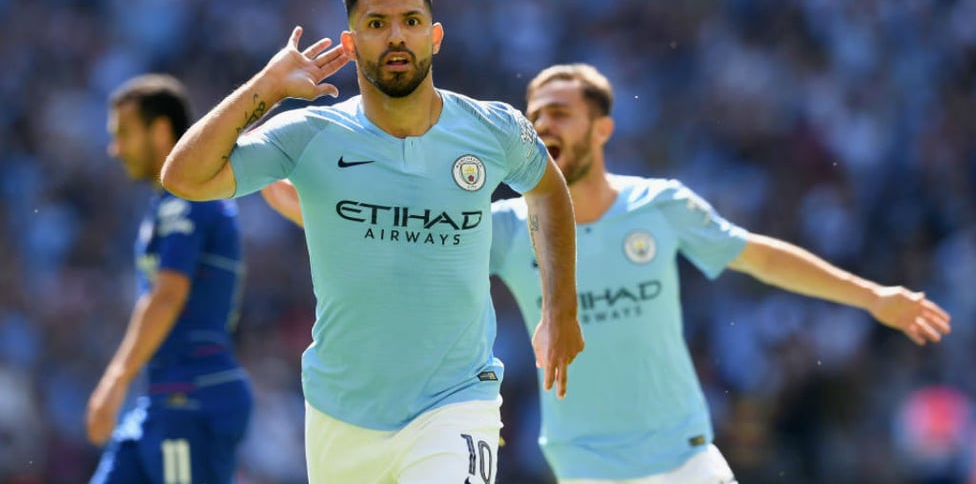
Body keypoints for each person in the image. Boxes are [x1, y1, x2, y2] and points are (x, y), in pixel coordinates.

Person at [262, 62, 954, 484]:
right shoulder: (507, 224)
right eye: (535, 116)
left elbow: (760, 254)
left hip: (682, 447)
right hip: (585, 456)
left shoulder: (661, 206)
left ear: (603, 129)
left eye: (560, 113)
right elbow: (403, 247)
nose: (543, 125)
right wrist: (307, 197)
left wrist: (874, 296)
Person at [160, 0, 584, 484]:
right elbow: (184, 177)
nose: (396, 37)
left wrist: (560, 306)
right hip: (342, 415)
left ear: (436, 36)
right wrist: (267, 88)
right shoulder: (310, 134)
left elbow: (546, 189)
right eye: (377, 25)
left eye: (410, 20)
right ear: (351, 42)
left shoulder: (493, 129)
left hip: (456, 403)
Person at [87, 74, 253, 484]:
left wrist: (115, 380)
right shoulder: (168, 203)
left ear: (160, 131)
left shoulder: (190, 198)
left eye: (124, 133)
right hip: (162, 400)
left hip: (192, 400)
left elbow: (168, 295)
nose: (116, 148)